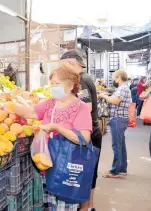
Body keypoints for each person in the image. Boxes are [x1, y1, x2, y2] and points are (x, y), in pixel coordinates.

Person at [10, 63, 92, 211]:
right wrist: (9, 106)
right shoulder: (50, 104)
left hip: (66, 169)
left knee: (63, 205)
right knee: (49, 206)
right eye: (52, 83)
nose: (53, 87)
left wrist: (57, 128)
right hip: (47, 165)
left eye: (57, 83)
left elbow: (84, 138)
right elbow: (31, 113)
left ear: (70, 84)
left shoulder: (81, 108)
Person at [60, 50, 102, 211]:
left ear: (71, 63)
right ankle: (89, 206)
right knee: (89, 170)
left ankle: (86, 207)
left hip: (88, 133)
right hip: (91, 131)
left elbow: (87, 106)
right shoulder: (86, 77)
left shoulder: (82, 79)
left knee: (86, 171)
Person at [99, 70, 131, 178]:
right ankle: (122, 168)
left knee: (116, 145)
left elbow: (115, 101)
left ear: (119, 77)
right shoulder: (123, 88)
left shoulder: (122, 88)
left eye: (114, 78)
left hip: (118, 119)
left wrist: (104, 97)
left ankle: (115, 171)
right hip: (120, 119)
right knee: (121, 144)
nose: (113, 80)